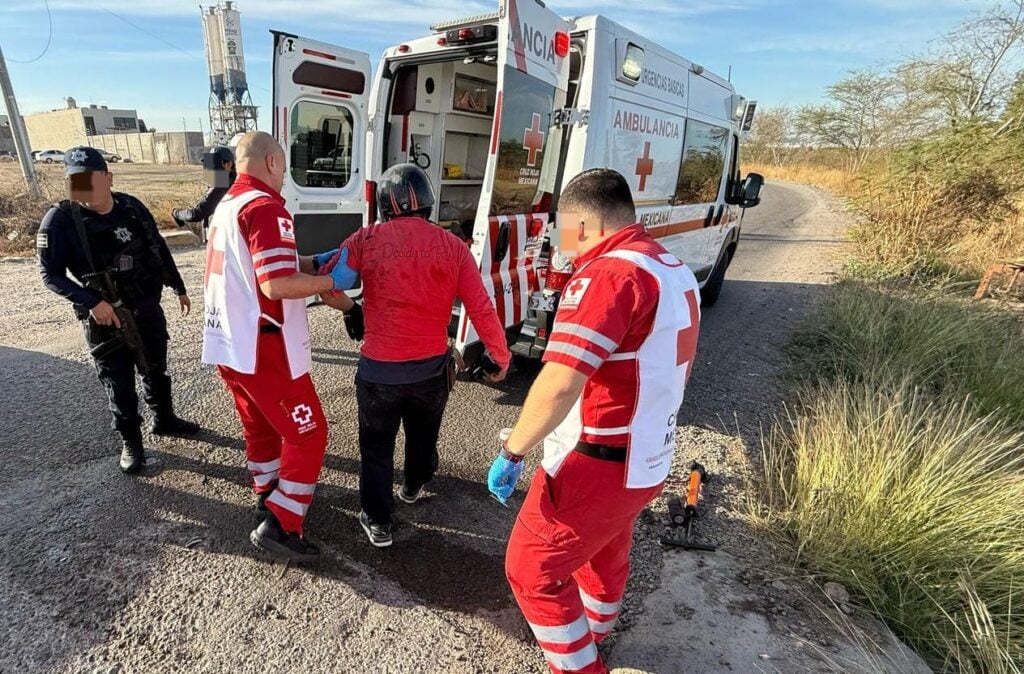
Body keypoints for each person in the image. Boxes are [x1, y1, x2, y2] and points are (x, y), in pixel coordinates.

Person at [486, 169, 702, 674]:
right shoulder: (672, 268)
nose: (561, 243)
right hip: (647, 455)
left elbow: (561, 382)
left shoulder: (608, 275)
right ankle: (594, 631)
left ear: (580, 223)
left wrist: (513, 450)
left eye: (562, 229)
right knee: (604, 549)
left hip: (597, 459)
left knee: (531, 570)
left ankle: (581, 665)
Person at [326, 163, 511, 548]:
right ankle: (412, 486)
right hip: (430, 373)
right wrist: (500, 357)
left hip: (379, 375)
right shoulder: (453, 247)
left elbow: (331, 284)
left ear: (384, 205)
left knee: (376, 448)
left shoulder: (365, 239)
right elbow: (481, 307)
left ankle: (378, 521)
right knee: (423, 436)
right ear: (426, 201)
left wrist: (353, 310)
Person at [201, 131, 357, 562]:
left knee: (261, 427)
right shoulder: (267, 208)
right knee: (308, 433)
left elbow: (259, 266)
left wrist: (311, 261)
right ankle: (283, 524)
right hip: (265, 347)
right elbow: (276, 283)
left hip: (230, 345)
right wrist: (332, 281)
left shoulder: (226, 207)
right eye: (284, 167)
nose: (285, 176)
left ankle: (268, 492)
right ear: (271, 162)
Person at [37, 146, 199, 474]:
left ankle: (164, 419)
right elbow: (50, 275)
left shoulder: (131, 207)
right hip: (104, 316)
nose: (82, 187)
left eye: (89, 179)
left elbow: (157, 245)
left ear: (107, 177)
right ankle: (131, 442)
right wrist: (91, 302)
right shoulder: (60, 220)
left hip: (146, 305)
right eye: (75, 181)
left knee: (155, 367)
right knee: (118, 382)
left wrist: (177, 285)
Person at [172, 145, 236, 241]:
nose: (209, 169)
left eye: (213, 164)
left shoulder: (222, 186)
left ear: (228, 164)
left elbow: (196, 214)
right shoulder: (234, 182)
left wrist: (176, 213)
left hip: (223, 241)